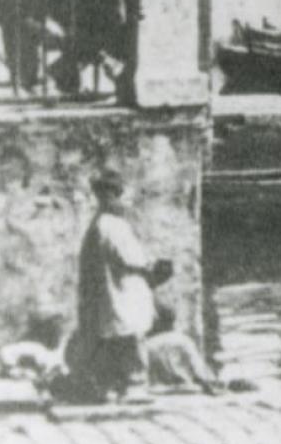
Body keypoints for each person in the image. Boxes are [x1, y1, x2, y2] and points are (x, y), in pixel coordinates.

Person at [67, 170, 169, 403]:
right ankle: (132, 386)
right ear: (110, 195)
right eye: (118, 195)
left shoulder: (100, 224)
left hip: (114, 290)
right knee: (129, 338)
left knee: (118, 337)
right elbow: (132, 259)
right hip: (121, 291)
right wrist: (153, 268)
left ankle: (114, 386)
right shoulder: (112, 225)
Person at [144, 304, 218, 394]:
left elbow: (146, 373)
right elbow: (199, 370)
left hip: (159, 391)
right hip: (185, 389)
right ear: (173, 321)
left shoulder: (148, 344)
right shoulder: (184, 341)